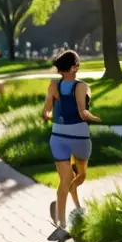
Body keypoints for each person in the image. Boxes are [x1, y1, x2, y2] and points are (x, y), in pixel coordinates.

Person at [42, 50, 101, 230]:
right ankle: (62, 224)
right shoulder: (82, 86)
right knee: (71, 178)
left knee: (76, 177)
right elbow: (83, 112)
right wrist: (97, 119)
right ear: (75, 66)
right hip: (73, 136)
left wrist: (48, 116)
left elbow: (46, 110)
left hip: (64, 137)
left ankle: (69, 207)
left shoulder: (56, 85)